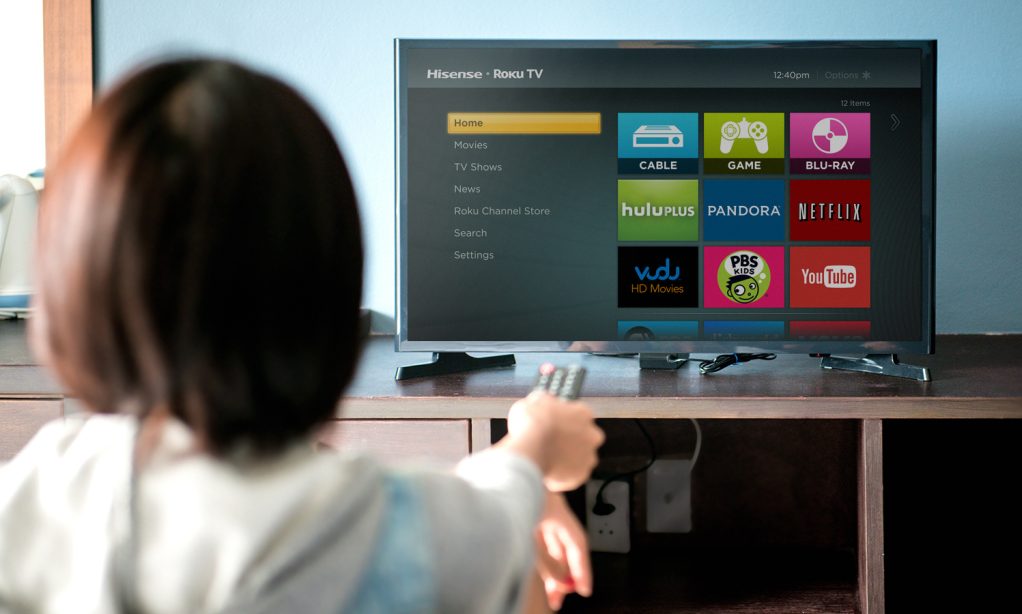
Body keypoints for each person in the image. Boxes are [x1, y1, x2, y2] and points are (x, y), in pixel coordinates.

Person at [0, 59, 604, 613]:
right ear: (329, 291)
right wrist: (535, 447)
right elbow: (486, 532)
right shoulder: (398, 532)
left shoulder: (35, 496)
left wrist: (521, 469)